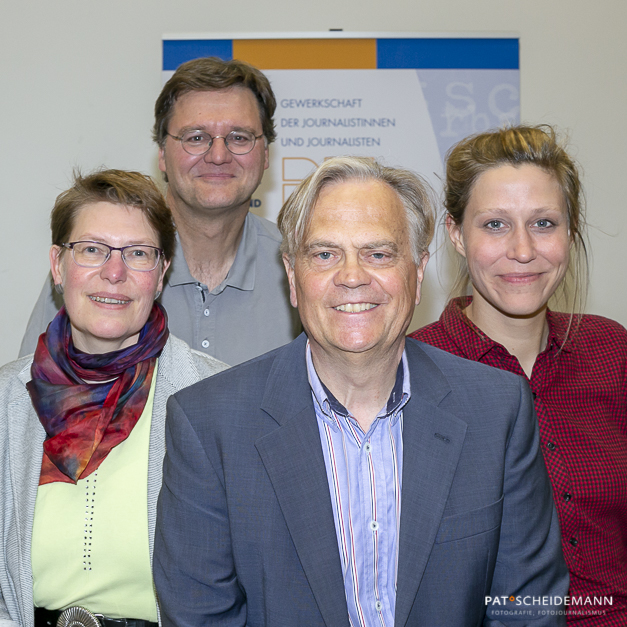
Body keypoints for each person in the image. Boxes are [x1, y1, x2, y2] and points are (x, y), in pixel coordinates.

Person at [153, 156, 568, 627]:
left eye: (378, 253)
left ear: (417, 272)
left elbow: (528, 610)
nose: (352, 276)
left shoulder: (498, 411)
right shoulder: (208, 424)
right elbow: (200, 618)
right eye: (325, 254)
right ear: (292, 276)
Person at [410, 124, 627, 625]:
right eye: (495, 225)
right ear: (455, 234)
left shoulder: (611, 351)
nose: (524, 250)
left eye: (544, 223)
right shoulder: (412, 372)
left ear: (570, 231)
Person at [0, 170, 227, 627]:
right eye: (91, 249)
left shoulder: (217, 399)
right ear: (58, 265)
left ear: (161, 273)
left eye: (139, 253)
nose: (115, 271)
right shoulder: (6, 399)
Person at [20, 57, 300, 365]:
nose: (219, 155)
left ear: (265, 153)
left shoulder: (301, 267)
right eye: (196, 137)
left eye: (239, 137)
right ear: (162, 155)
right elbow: (32, 394)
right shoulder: (94, 265)